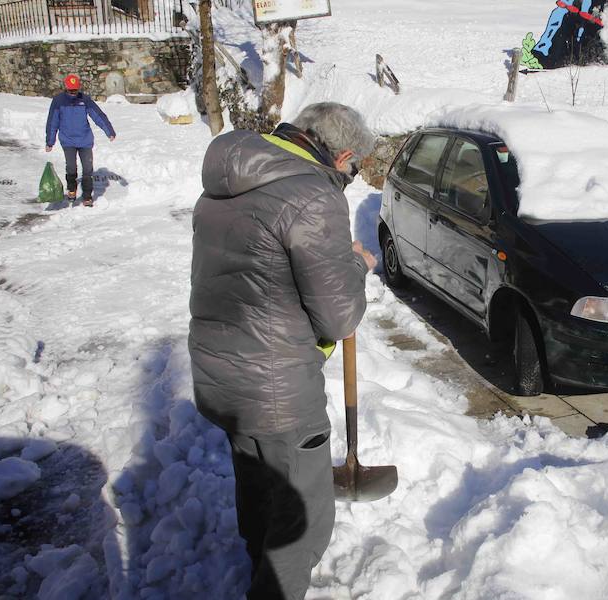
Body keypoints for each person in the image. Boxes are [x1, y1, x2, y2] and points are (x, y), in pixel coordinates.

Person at [188, 102, 377, 599]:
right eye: (354, 172)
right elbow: (338, 317)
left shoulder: (229, 173)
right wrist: (357, 266)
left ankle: (260, 569)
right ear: (344, 155)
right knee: (302, 519)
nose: (350, 181)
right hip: (277, 388)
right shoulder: (312, 195)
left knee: (257, 489)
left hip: (218, 369)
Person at [44, 73, 116, 207]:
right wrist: (50, 141)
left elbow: (98, 115)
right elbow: (52, 121)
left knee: (88, 169)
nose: (73, 92)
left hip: (85, 140)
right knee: (71, 167)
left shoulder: (85, 100)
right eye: (70, 90)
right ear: (66, 88)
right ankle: (72, 189)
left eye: (75, 90)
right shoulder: (58, 101)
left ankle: (87, 196)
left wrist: (109, 131)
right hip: (68, 140)